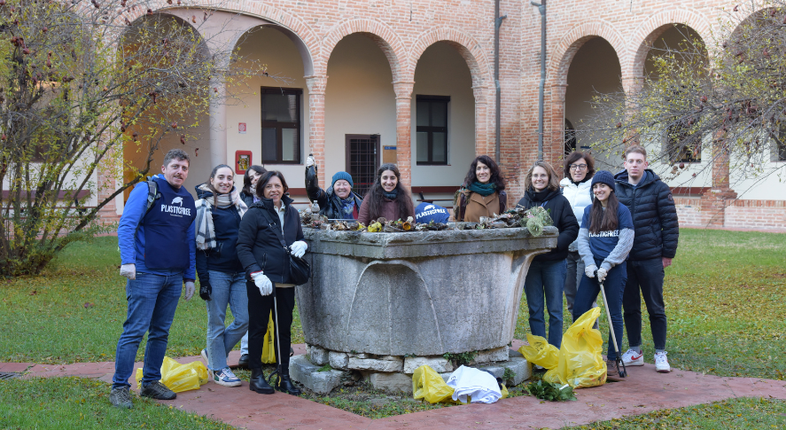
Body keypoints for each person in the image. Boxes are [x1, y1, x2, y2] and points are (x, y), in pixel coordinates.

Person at [110, 149, 196, 409]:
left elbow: (189, 239)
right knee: (135, 331)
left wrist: (190, 276)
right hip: (146, 273)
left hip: (174, 275)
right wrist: (128, 261)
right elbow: (126, 224)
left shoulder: (188, 199)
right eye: (175, 166)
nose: (179, 171)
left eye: (184, 168)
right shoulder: (147, 189)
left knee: (160, 332)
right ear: (164, 167)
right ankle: (119, 387)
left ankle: (150, 383)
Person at [236, 170, 307, 395]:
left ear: (284, 188)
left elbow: (299, 237)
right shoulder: (254, 214)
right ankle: (256, 375)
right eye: (268, 187)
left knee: (283, 329)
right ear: (261, 190)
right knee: (258, 327)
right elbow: (243, 247)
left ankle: (283, 375)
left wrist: (303, 244)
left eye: (277, 186)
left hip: (286, 280)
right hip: (262, 281)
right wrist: (256, 274)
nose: (273, 190)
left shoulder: (293, 213)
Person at [614, 145, 679, 373]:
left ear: (645, 164)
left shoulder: (659, 188)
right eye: (630, 161)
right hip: (625, 259)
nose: (634, 165)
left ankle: (660, 352)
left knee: (655, 307)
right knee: (629, 306)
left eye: (638, 161)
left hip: (650, 256)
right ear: (625, 164)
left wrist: (667, 253)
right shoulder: (615, 187)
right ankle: (635, 350)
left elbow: (669, 223)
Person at [572, 170, 634, 381]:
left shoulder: (622, 211)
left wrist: (607, 265)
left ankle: (612, 360)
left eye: (602, 187)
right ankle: (586, 354)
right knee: (580, 308)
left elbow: (626, 242)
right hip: (592, 267)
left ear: (611, 189)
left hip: (614, 267)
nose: (598, 190)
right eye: (595, 187)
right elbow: (583, 239)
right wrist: (589, 264)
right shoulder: (590, 211)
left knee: (613, 313)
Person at [194, 164, 249, 387]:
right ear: (212, 179)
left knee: (245, 319)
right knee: (216, 321)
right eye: (221, 177)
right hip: (216, 271)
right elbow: (198, 247)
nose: (225, 182)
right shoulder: (202, 206)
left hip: (241, 272)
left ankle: (213, 352)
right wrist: (204, 280)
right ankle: (218, 369)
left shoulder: (239, 204)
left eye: (229, 178)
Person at [517, 161, 579, 348]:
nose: (539, 179)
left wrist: (556, 245)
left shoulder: (560, 200)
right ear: (530, 178)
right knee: (535, 309)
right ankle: (540, 351)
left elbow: (572, 227)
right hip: (532, 263)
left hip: (554, 263)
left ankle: (554, 350)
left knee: (555, 310)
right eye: (535, 175)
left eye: (543, 175)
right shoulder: (523, 202)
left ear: (549, 178)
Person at [237, 164, 266, 367]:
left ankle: (273, 348)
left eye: (258, 174)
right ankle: (247, 351)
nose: (255, 178)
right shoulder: (243, 199)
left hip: (270, 258)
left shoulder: (275, 197)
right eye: (251, 177)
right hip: (250, 257)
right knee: (251, 308)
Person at [560, 151, 596, 316]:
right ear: (569, 169)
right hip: (566, 251)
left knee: (586, 298)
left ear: (588, 169)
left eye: (582, 166)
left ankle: (590, 339)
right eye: (574, 166)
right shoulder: (561, 189)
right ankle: (577, 338)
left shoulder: (594, 189)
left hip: (586, 251)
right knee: (571, 298)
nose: (578, 170)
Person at [305, 155, 363, 220]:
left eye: (345, 184)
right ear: (333, 187)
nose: (341, 187)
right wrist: (311, 170)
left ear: (350, 186)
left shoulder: (359, 202)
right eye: (338, 184)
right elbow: (313, 190)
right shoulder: (326, 200)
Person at [454, 155, 507, 222]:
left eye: (485, 168)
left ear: (491, 172)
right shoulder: (464, 195)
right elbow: (457, 223)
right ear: (475, 172)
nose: (482, 172)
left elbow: (505, 222)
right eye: (478, 168)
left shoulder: (501, 196)